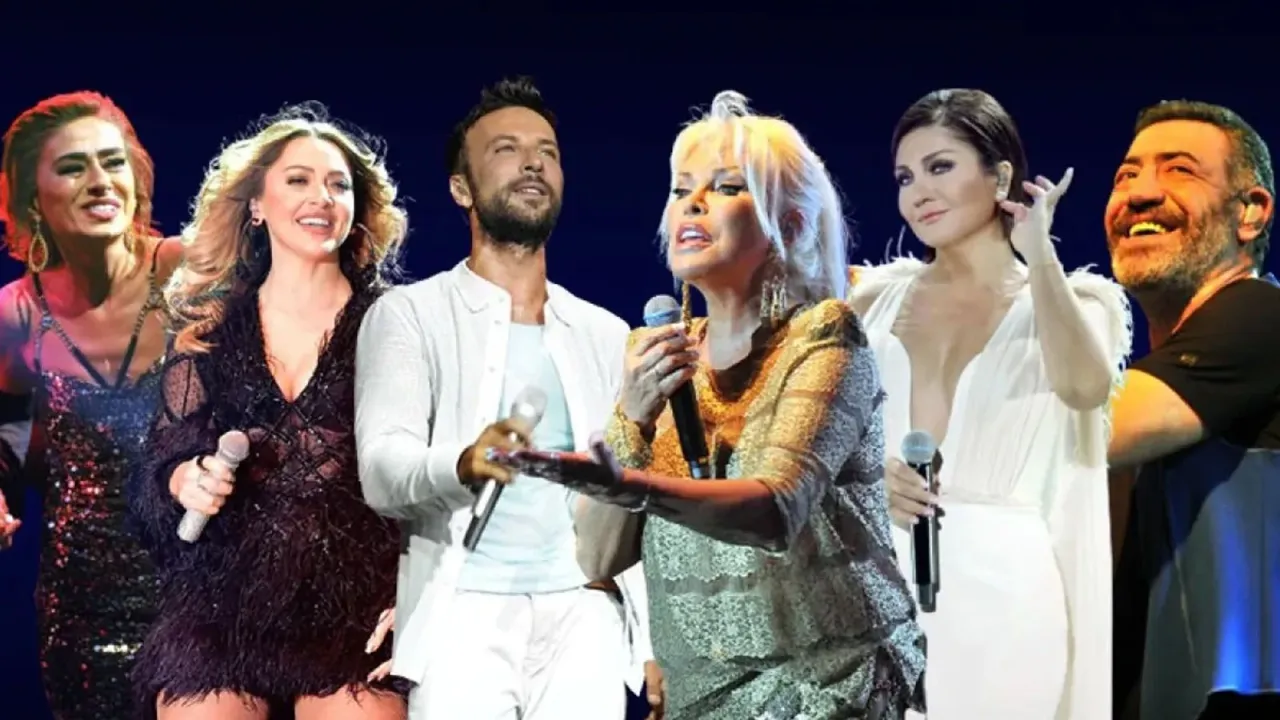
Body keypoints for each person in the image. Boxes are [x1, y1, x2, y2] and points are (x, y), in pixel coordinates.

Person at [490, 89, 927, 720]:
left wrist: (633, 486)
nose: (692, 203)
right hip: (702, 700)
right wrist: (632, 419)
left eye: (726, 187)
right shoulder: (656, 356)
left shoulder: (824, 337)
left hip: (826, 690)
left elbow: (775, 510)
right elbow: (597, 559)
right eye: (680, 189)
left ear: (790, 225)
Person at [355, 77, 657, 720]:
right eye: (507, 150)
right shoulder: (410, 315)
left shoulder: (606, 333)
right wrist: (464, 461)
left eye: (547, 152)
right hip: (462, 611)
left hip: (585, 614)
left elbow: (630, 490)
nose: (533, 164)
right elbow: (381, 471)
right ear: (461, 189)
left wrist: (650, 640)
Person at [128, 103, 408, 720]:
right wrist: (185, 480)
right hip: (224, 607)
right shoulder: (207, 331)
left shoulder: (399, 326)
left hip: (357, 610)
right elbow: (160, 467)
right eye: (299, 179)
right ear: (256, 204)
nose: (322, 197)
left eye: (338, 185)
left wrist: (422, 594)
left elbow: (436, 478)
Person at [859, 89, 1130, 719]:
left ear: (1001, 176)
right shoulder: (871, 304)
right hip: (878, 587)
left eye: (940, 166)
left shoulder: (1074, 303)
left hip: (1004, 597)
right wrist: (870, 483)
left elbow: (1084, 389)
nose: (919, 192)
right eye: (905, 177)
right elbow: (826, 452)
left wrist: (1041, 256)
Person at [0, 91, 181, 718]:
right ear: (33, 198)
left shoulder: (191, 274)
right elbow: (7, 440)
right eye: (73, 167)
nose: (100, 181)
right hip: (80, 612)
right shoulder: (16, 315)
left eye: (113, 162)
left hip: (202, 598)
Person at [1106, 100, 1280, 720]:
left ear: (1250, 213)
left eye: (1179, 170)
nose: (1141, 193)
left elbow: (1086, 435)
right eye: (1126, 175)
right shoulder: (1162, 382)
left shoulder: (1261, 318)